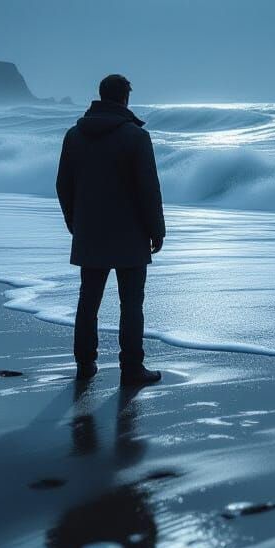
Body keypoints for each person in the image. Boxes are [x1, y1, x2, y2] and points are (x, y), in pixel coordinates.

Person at [56, 74, 166, 386]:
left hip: (89, 231)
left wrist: (73, 222)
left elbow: (63, 185)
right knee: (131, 304)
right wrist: (157, 230)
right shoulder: (135, 137)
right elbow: (148, 189)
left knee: (88, 302)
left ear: (101, 95)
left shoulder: (74, 135)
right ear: (125, 99)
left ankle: (85, 364)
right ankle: (131, 368)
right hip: (130, 234)